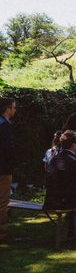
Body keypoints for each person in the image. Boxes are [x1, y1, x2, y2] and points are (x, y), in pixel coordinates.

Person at [0, 97, 17, 244]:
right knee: (3, 202)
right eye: (14, 107)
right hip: (3, 169)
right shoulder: (5, 126)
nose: (15, 110)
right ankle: (2, 234)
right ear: (8, 109)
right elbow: (8, 149)